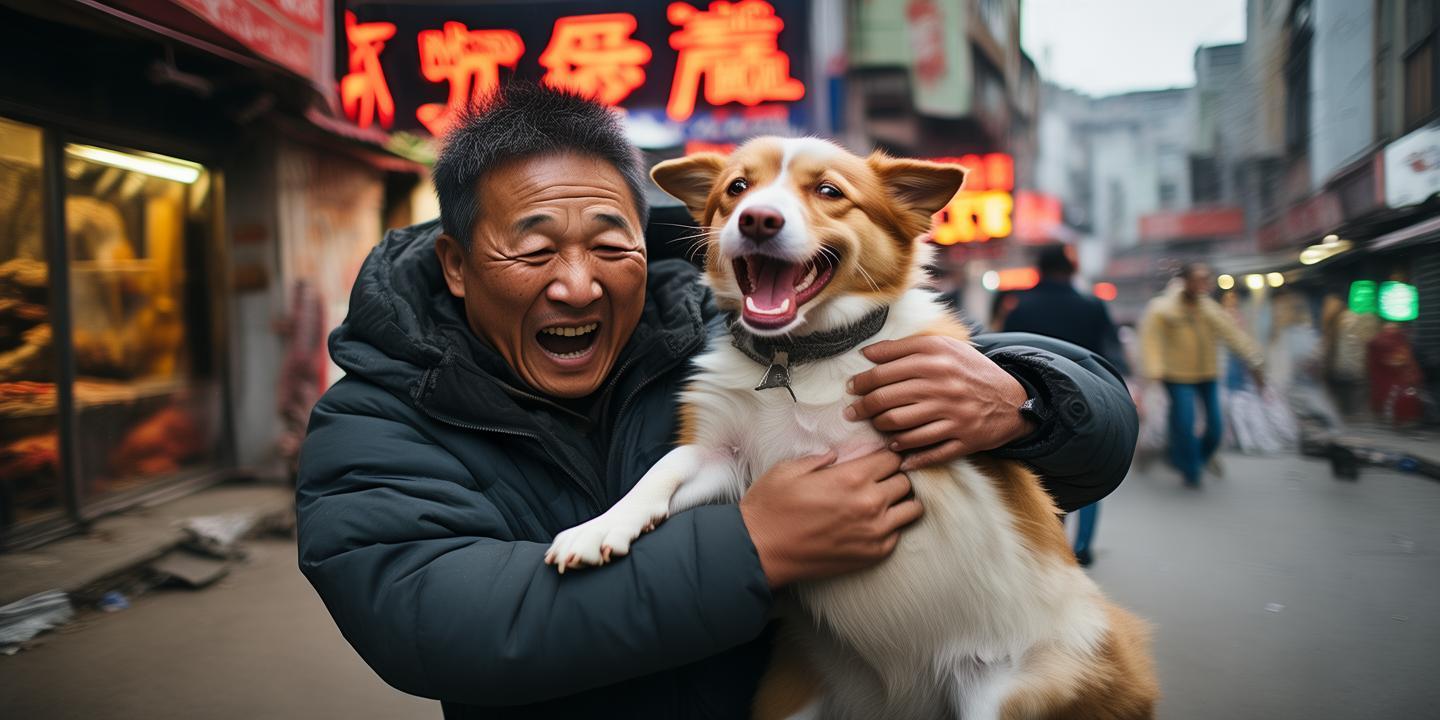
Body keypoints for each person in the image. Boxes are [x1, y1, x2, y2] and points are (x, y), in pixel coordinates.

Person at [296, 84, 1139, 719]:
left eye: (608, 243)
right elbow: (444, 627)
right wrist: (753, 546)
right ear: (455, 263)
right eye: (536, 249)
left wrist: (1026, 399)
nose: (577, 284)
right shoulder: (371, 423)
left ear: (650, 236)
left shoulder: (732, 322)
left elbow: (1093, 435)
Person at [1001, 244, 1126, 566]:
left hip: (1036, 403)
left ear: (1040, 269)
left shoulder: (1022, 307)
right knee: (1088, 468)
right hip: (1088, 399)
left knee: (1043, 474)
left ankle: (1053, 546)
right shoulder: (1092, 305)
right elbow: (1108, 352)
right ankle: (1083, 546)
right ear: (1071, 270)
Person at [1140, 262, 1264, 486]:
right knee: (1184, 422)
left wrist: (1253, 358)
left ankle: (1197, 457)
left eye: (1206, 279)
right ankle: (1190, 468)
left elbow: (1232, 334)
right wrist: (1155, 371)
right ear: (1185, 281)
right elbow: (1151, 341)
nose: (1203, 284)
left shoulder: (1209, 308)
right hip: (1177, 375)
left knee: (1216, 426)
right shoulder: (1162, 308)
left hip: (1208, 373)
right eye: (1198, 279)